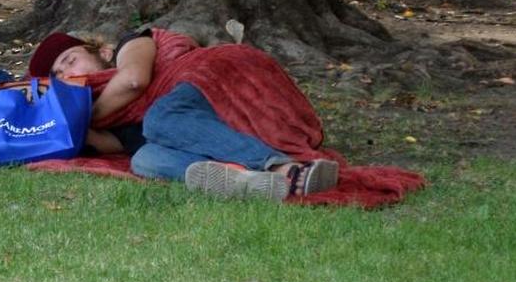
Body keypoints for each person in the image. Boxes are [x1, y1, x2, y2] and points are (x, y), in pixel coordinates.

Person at [26, 28, 339, 201]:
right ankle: (251, 182)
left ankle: (285, 167)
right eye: (58, 74)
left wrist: (87, 115)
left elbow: (134, 81)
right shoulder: (106, 115)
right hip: (191, 122)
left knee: (160, 119)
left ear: (101, 52)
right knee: (144, 160)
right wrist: (64, 117)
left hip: (216, 77)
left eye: (70, 60)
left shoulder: (131, 43)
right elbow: (118, 145)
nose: (67, 73)